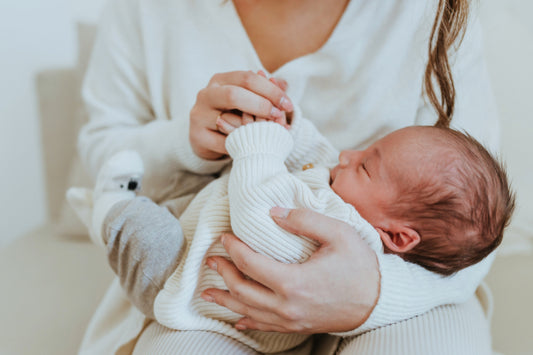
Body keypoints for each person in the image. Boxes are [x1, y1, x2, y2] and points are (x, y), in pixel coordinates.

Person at [77, 0, 502, 353]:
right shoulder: (148, 11)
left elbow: (470, 230)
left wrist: (373, 294)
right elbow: (104, 158)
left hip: (408, 293)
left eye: (367, 164)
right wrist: (189, 145)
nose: (347, 156)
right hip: (206, 293)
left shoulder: (434, 14)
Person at [69, 110, 514, 353]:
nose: (346, 155)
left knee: (135, 227)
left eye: (365, 165)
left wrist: (258, 146)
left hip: (182, 277)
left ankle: (106, 202)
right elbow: (315, 157)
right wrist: (291, 126)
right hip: (198, 224)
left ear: (398, 238)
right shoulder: (349, 197)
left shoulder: (340, 230)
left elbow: (259, 217)